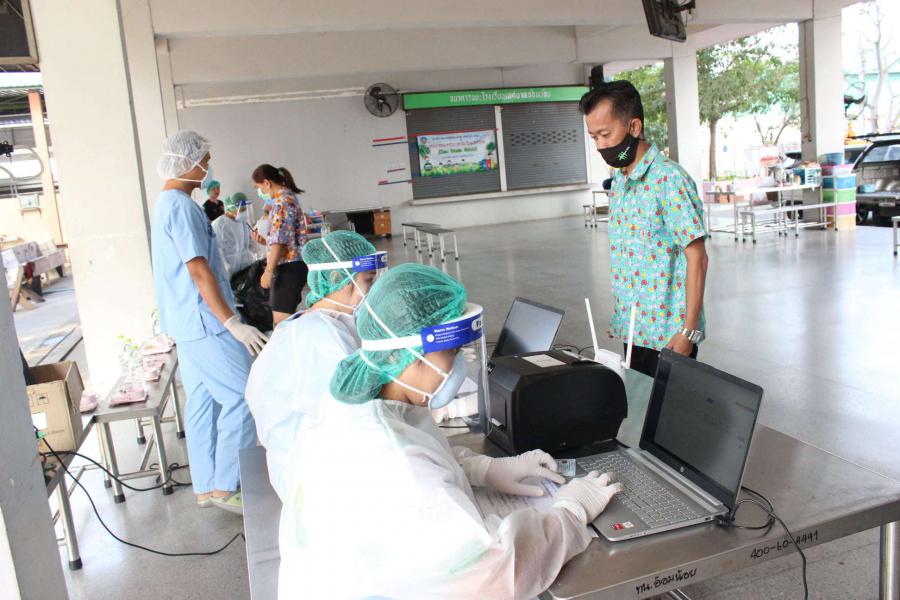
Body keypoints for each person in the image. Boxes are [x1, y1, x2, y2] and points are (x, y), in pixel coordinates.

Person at [277, 264, 623, 599]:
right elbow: (495, 573)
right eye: (452, 352)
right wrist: (569, 514)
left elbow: (417, 449)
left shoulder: (363, 402)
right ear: (410, 355)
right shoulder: (398, 466)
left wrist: (482, 468)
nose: (459, 364)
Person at [152, 131, 268, 514]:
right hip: (205, 322)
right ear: (185, 163)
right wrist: (232, 322)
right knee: (241, 397)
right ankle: (225, 484)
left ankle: (205, 485)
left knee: (202, 401)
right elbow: (198, 270)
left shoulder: (168, 204)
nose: (207, 166)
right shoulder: (183, 208)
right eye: (203, 160)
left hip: (186, 324)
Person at [580, 80, 709, 378]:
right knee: (637, 404)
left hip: (669, 334)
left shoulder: (669, 180)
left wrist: (688, 332)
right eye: (593, 137)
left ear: (634, 127)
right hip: (634, 330)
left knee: (666, 408)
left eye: (605, 134)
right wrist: (623, 317)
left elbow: (698, 258)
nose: (600, 145)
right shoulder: (621, 180)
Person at [245, 230, 385, 500]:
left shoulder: (320, 322)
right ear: (337, 278)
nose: (373, 290)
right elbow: (357, 412)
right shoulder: (320, 336)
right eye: (368, 280)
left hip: (305, 459)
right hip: (311, 477)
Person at [251, 164, 309, 326]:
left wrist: (268, 271)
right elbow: (285, 238)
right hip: (294, 265)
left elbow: (280, 242)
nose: (260, 191)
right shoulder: (289, 198)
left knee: (281, 322)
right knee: (286, 319)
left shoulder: (281, 202)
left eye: (259, 187)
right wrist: (265, 242)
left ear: (267, 183)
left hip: (288, 268)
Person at [211, 192, 256, 278]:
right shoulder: (219, 224)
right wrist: (226, 271)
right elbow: (217, 250)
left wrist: (258, 257)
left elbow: (251, 243)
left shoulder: (243, 222)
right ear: (231, 208)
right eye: (241, 210)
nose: (244, 212)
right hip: (230, 273)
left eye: (245, 209)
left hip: (247, 267)